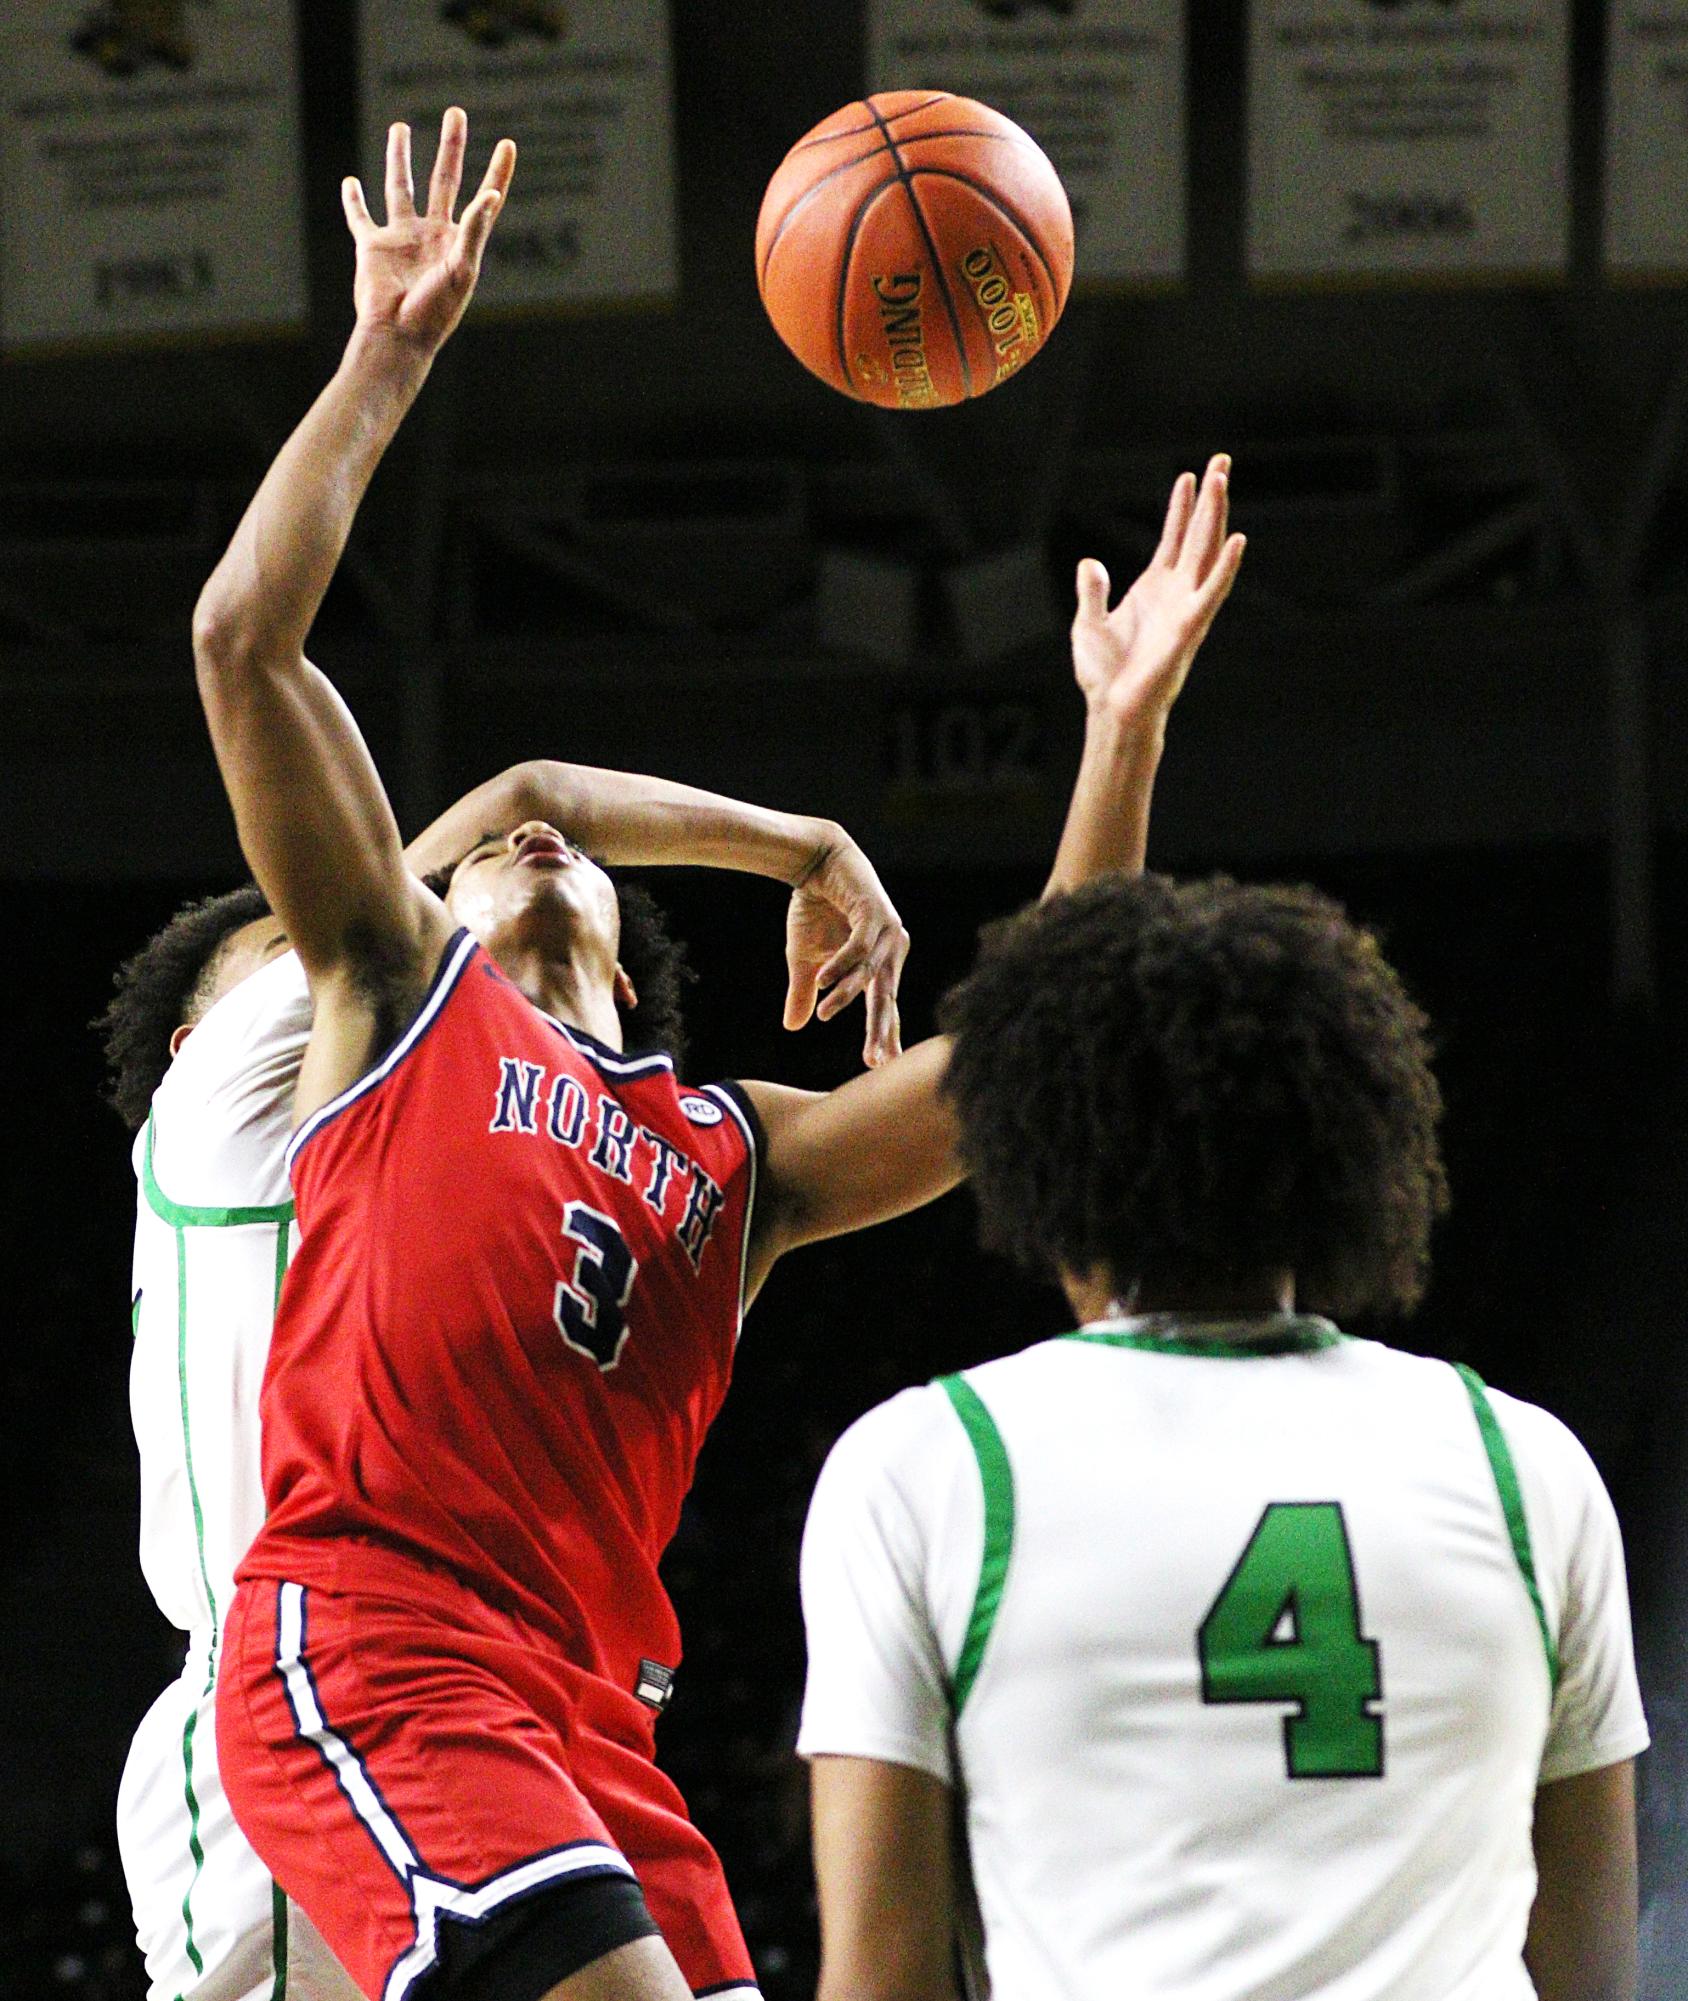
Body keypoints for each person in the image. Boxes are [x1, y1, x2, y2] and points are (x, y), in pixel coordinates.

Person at [193, 106, 1243, 2001]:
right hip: (376, 1639)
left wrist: (1120, 731)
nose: (530, 833)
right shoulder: (390, 993)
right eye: (511, 830)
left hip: (594, 1720)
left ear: (618, 935)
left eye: (563, 846)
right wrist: (388, 355)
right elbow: (244, 646)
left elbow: (1026, 1054)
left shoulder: (719, 1149)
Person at [103, 759, 917, 2001]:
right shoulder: (237, 1091)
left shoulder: (571, 1134)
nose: (324, 932)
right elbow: (511, 807)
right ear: (194, 1039)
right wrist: (804, 844)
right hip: (320, 1676)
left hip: (526, 1701)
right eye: (284, 938)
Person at [796, 873, 1650, 2001]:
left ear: (1037, 1154)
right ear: (1343, 1144)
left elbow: (881, 1982)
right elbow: (1588, 1975)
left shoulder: (930, 1463)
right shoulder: (1521, 1463)